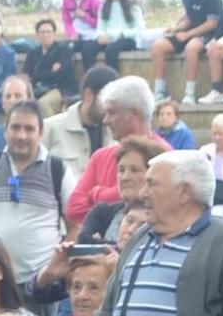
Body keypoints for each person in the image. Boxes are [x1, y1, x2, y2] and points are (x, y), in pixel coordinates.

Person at [95, 149, 223, 316]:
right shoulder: (140, 237)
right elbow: (106, 311)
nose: (142, 193)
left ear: (184, 192)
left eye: (152, 184)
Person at [0, 101, 66, 288]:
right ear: (5, 131)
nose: (21, 135)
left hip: (41, 285)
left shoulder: (58, 169)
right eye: (15, 128)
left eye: (29, 129)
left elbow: (75, 224)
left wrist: (56, 267)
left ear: (40, 133)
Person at [65, 75, 162, 232]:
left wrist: (97, 195)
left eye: (111, 112)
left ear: (135, 113)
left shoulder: (165, 157)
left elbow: (160, 205)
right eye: (122, 170)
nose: (105, 120)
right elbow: (73, 209)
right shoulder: (100, 157)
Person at [146, 0, 223, 103]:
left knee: (191, 48)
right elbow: (189, 18)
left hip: (206, 35)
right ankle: (160, 91)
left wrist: (188, 35)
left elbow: (211, 23)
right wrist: (177, 28)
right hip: (188, 32)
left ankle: (189, 93)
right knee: (158, 46)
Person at [42, 65, 113, 186]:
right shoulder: (50, 128)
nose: (110, 108)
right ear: (89, 95)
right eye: (107, 101)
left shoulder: (115, 135)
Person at [88, 0, 147, 75]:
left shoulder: (132, 5)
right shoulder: (103, 5)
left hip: (126, 39)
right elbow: (100, 26)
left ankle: (113, 81)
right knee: (87, 49)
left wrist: (119, 34)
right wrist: (100, 36)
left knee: (111, 50)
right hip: (107, 39)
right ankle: (92, 81)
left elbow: (139, 29)